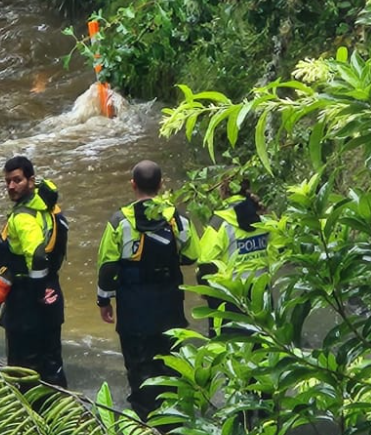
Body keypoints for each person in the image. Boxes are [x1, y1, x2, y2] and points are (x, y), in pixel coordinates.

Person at [96, 160, 199, 421]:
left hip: (133, 310)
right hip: (169, 308)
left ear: (133, 185)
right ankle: (174, 423)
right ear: (161, 184)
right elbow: (192, 255)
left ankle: (144, 420)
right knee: (170, 366)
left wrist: (104, 301)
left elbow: (107, 267)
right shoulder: (177, 217)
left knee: (139, 368)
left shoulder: (120, 221)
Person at [0, 155, 67, 387]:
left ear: (31, 181)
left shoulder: (22, 218)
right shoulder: (49, 208)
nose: (11, 186)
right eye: (8, 181)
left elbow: (38, 255)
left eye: (17, 180)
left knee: (23, 369)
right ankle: (62, 415)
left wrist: (37, 290)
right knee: (53, 363)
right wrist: (47, 291)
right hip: (53, 295)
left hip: (27, 304)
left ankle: (30, 417)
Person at [196, 179, 269, 337]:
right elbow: (277, 253)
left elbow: (205, 261)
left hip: (230, 297)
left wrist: (205, 289)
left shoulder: (219, 223)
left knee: (229, 349)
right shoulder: (264, 218)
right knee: (264, 346)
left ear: (222, 192)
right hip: (262, 292)